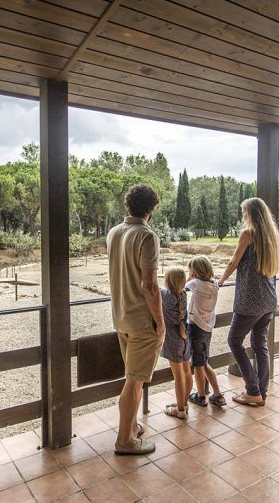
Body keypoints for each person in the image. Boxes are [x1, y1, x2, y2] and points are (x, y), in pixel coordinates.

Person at [107, 184, 164, 455]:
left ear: (127, 205)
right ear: (151, 209)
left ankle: (131, 429)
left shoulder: (114, 233)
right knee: (134, 382)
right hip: (142, 322)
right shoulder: (147, 236)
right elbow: (150, 286)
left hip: (120, 318)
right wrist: (161, 322)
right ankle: (125, 441)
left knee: (133, 379)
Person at [217, 197, 279, 406]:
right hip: (268, 300)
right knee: (259, 344)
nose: (242, 215)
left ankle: (252, 389)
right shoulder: (271, 236)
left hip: (249, 301)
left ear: (251, 213)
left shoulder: (248, 234)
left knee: (234, 341)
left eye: (244, 211)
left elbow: (234, 261)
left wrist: (220, 281)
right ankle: (261, 392)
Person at [186, 255, 226, 407]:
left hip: (196, 327)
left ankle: (201, 396)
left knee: (198, 364)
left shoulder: (195, 284)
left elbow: (180, 287)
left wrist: (189, 277)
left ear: (195, 272)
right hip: (207, 328)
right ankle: (216, 394)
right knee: (204, 362)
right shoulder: (215, 284)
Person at [160, 267, 192, 419]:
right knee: (187, 372)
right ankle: (183, 404)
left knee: (178, 376)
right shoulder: (183, 294)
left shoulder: (165, 295)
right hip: (184, 337)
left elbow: (149, 286)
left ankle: (179, 411)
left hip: (173, 340)